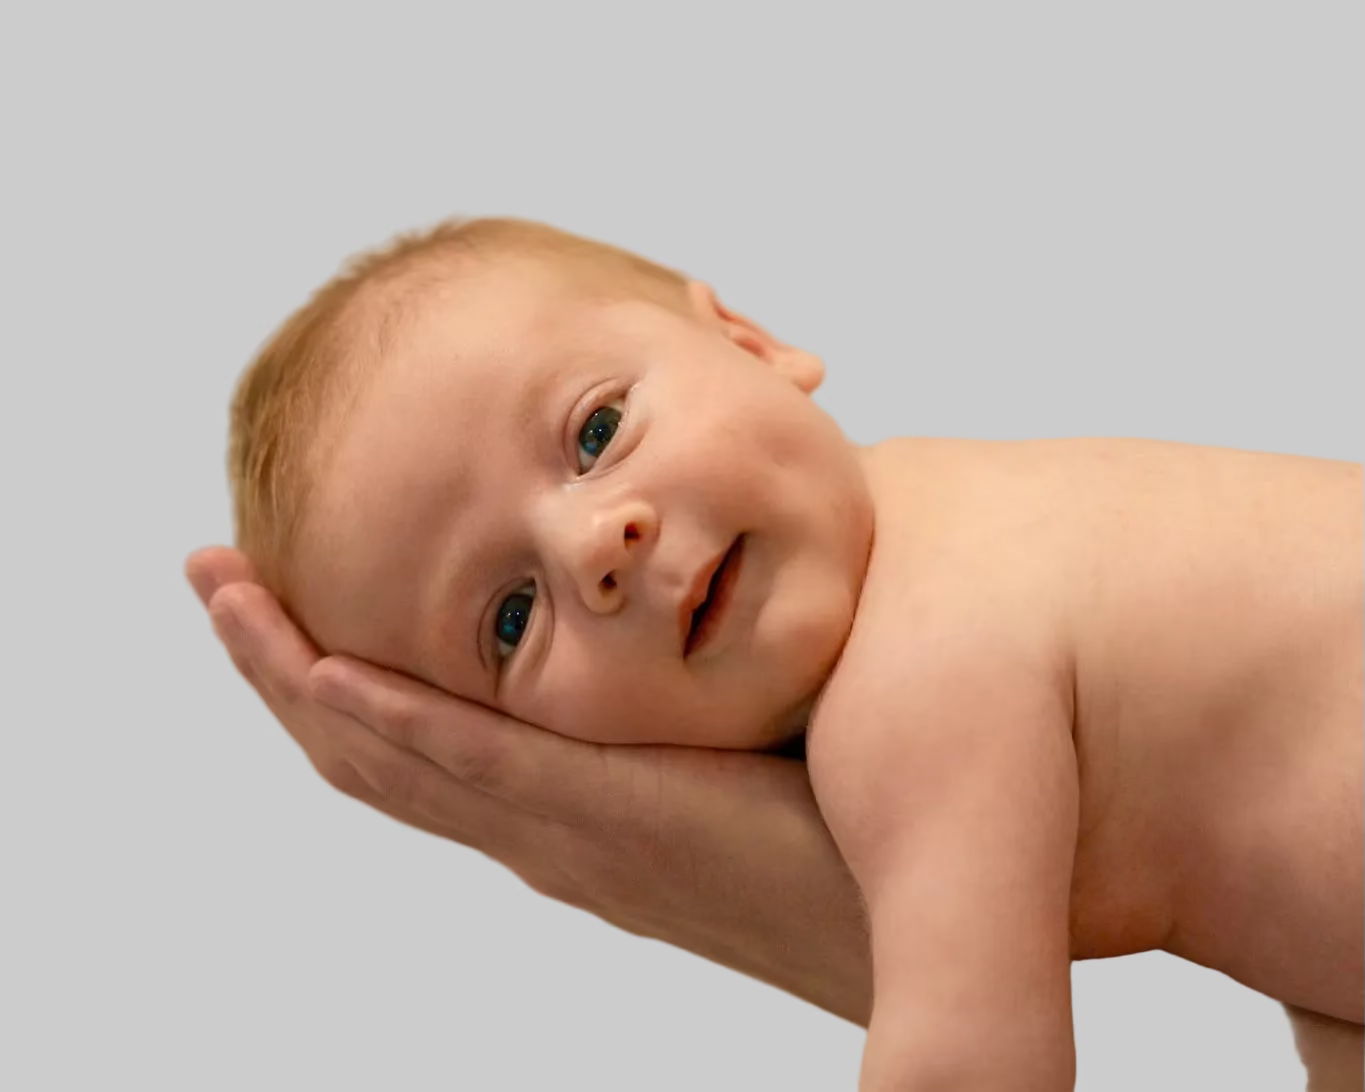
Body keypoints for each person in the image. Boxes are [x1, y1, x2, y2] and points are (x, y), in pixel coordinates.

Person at [190, 216, 1363, 1090]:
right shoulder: (971, 503)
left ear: (750, 342)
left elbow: (973, 1064)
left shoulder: (917, 668)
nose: (598, 543)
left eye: (596, 432)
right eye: (511, 618)